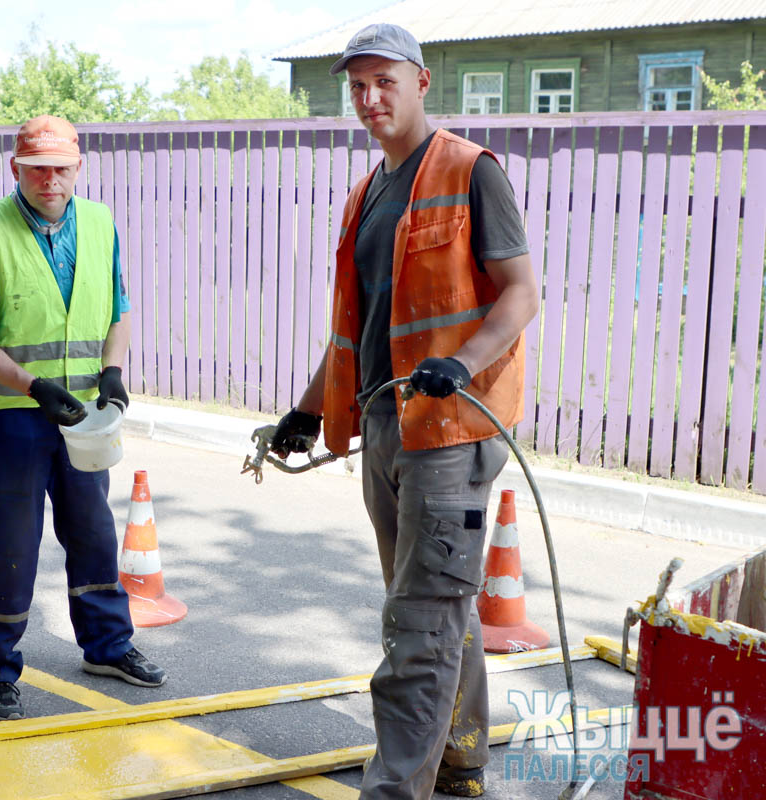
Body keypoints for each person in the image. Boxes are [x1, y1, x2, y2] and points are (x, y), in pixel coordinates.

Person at [269, 23, 539, 800]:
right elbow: (355, 327)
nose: (369, 97)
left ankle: (394, 789)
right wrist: (304, 408)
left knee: (418, 621)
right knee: (434, 602)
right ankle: (460, 758)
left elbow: (520, 292)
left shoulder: (470, 171)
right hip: (387, 423)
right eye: (357, 85)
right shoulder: (368, 193)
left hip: (453, 428)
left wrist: (462, 361)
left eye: (385, 81)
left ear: (422, 82)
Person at [0, 114, 166, 723]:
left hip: (83, 416)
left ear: (78, 168)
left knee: (93, 532)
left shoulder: (99, 224)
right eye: (36, 169)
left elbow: (117, 309)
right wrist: (30, 384)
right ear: (15, 169)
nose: (49, 180)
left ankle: (108, 646)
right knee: (11, 545)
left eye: (60, 168)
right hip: (13, 417)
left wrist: (114, 371)